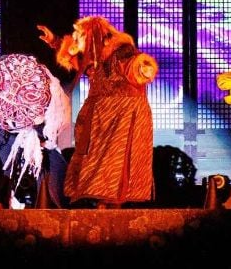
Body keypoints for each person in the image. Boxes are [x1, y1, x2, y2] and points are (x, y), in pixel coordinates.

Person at [42, 16, 158, 208]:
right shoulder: (94, 59)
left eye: (79, 35)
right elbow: (74, 55)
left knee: (116, 158)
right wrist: (54, 41)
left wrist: (143, 68)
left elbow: (134, 64)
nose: (75, 38)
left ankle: (111, 201)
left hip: (122, 113)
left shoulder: (120, 51)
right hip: (102, 114)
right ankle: (103, 200)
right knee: (96, 157)